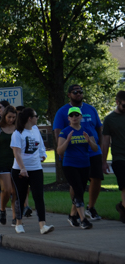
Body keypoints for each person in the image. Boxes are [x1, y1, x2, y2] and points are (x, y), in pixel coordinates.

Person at [53, 84, 103, 220]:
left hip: (92, 151)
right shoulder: (63, 111)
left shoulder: (90, 109)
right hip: (73, 153)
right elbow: (57, 132)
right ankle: (76, 211)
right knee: (77, 185)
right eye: (75, 92)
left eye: (81, 91)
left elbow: (99, 129)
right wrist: (61, 149)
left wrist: (98, 146)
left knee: (96, 178)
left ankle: (90, 208)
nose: (78, 94)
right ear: (69, 94)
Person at [11, 108, 54, 234]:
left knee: (38, 196)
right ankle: (18, 223)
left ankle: (42, 225)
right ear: (30, 118)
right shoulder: (18, 133)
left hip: (36, 169)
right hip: (20, 170)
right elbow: (17, 153)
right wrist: (23, 168)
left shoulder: (35, 130)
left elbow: (40, 146)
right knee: (21, 196)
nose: (37, 118)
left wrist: (43, 155)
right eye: (36, 115)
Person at [57, 107, 97, 229]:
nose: (74, 117)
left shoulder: (87, 130)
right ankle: (83, 220)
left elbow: (95, 149)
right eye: (72, 115)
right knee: (78, 190)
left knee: (80, 191)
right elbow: (59, 150)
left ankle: (72, 215)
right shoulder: (65, 131)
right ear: (68, 118)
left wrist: (89, 142)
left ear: (81, 117)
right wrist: (67, 140)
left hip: (84, 164)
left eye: (77, 115)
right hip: (70, 165)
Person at [0, 106, 18, 225]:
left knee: (16, 191)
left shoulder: (18, 129)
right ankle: (2, 210)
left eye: (13, 117)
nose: (11, 119)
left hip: (16, 163)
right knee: (6, 190)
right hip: (2, 163)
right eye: (9, 117)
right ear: (4, 116)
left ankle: (16, 216)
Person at [102, 91, 125, 223]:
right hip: (119, 157)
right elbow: (105, 141)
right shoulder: (109, 119)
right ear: (117, 102)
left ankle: (121, 207)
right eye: (124, 106)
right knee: (124, 185)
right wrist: (103, 162)